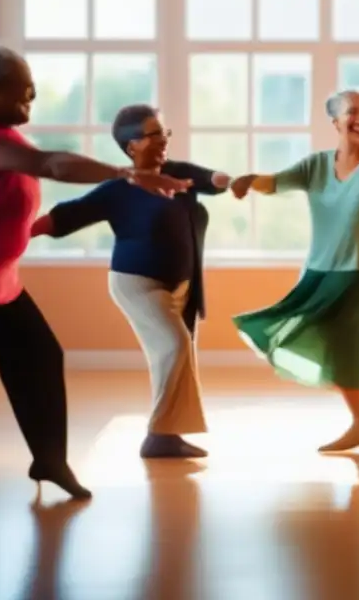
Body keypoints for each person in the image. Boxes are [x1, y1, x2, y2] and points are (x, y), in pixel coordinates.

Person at [0, 45, 189, 522]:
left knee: (41, 356)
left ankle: (50, 461)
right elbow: (54, 166)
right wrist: (124, 174)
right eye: (23, 91)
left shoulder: (4, 135)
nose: (32, 97)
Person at [31, 105, 232, 459]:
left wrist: (226, 180)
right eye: (154, 135)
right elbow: (67, 217)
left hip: (182, 286)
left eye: (164, 133)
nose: (163, 141)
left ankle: (169, 436)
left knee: (174, 356)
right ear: (131, 146)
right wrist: (19, 233)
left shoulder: (176, 173)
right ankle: (157, 436)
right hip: (137, 283)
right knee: (175, 346)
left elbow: (210, 180)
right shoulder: (118, 189)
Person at [229, 89, 359, 453]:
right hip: (326, 261)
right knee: (310, 322)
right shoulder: (316, 166)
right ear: (336, 122)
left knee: (350, 332)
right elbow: (276, 182)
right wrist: (249, 180)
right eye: (352, 112)